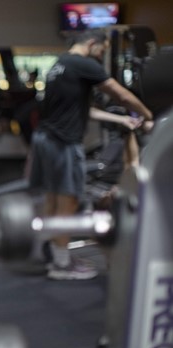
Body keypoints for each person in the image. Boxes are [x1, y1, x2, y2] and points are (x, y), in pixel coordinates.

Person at [28, 29, 154, 281]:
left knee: (53, 199)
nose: (102, 55)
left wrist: (120, 119)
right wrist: (148, 116)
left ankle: (55, 255)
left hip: (46, 138)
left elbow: (86, 111)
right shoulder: (83, 64)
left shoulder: (59, 64)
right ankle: (61, 265)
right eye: (103, 50)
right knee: (68, 200)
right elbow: (122, 94)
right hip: (63, 142)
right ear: (94, 44)